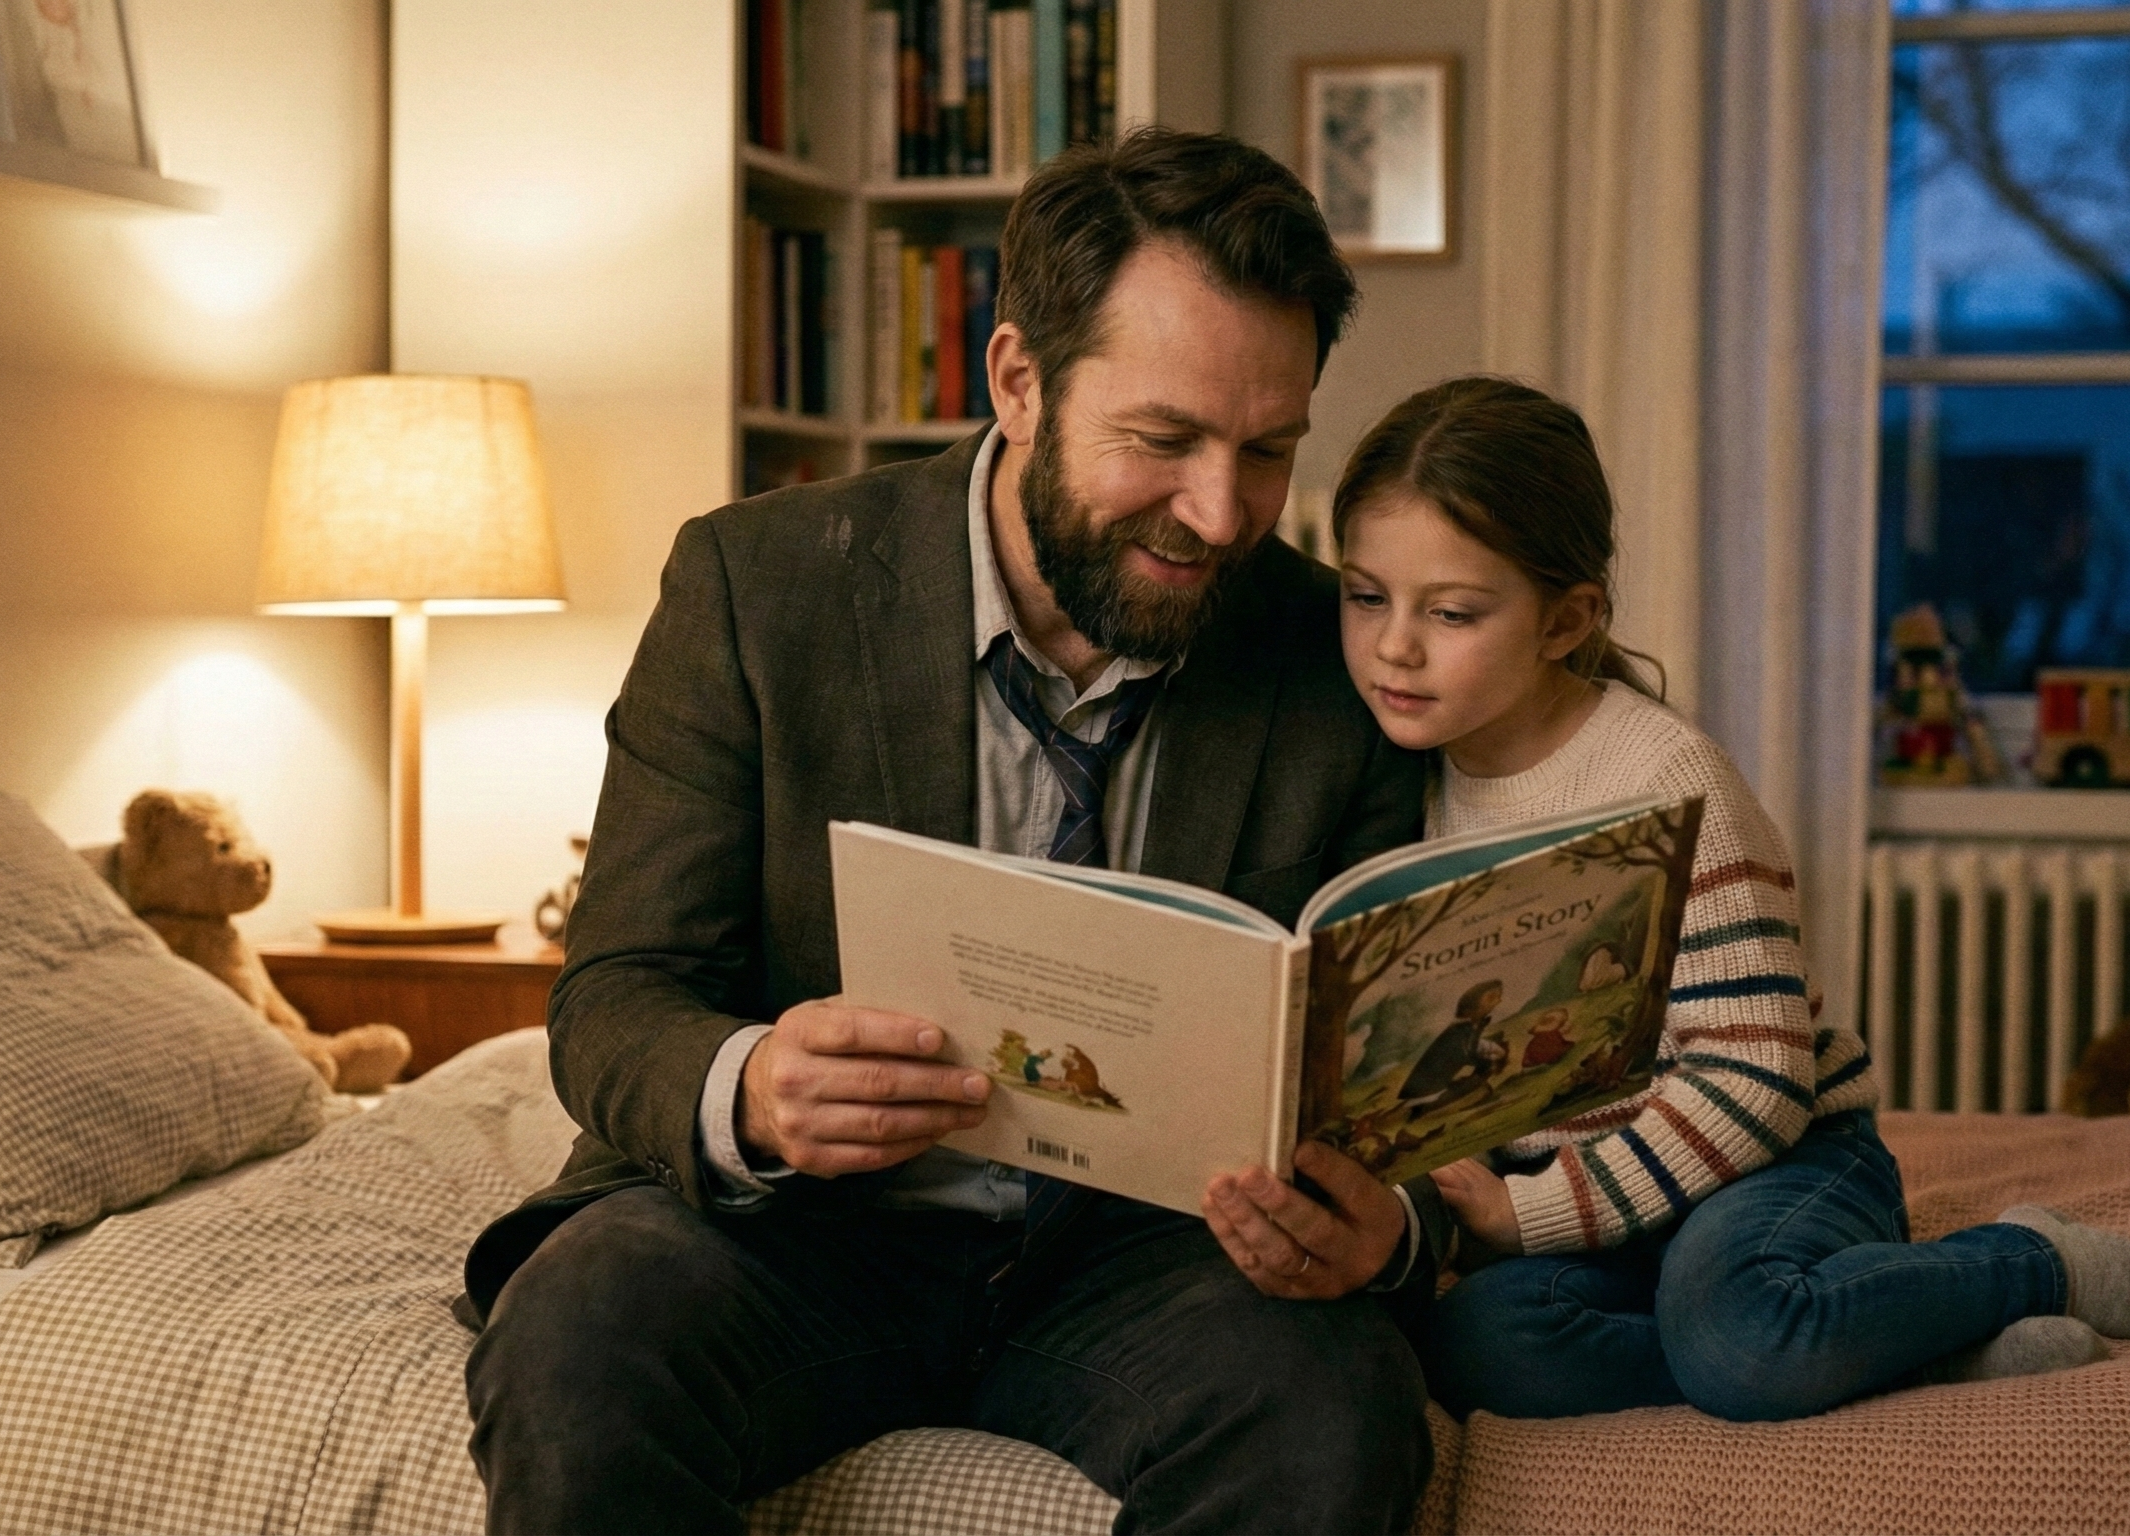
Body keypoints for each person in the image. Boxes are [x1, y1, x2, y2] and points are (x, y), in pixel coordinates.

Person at [458, 128, 1450, 1535]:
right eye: (1162, 440)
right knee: (577, 1340)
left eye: (1268, 450)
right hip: (800, 1235)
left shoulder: (1328, 649)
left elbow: (1379, 1067)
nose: (1220, 513)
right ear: (1018, 381)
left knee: (1337, 1410)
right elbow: (615, 995)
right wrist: (754, 1087)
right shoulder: (757, 585)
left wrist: (1379, 1220)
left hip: (1150, 1263)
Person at [1330, 374, 2130, 1423]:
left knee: (1734, 1330)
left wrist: (1534, 1216)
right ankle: (1893, 1343)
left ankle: (2029, 1262)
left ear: (1565, 620)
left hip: (1778, 1158)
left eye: (1450, 612)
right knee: (1478, 1347)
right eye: (1365, 596)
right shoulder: (1399, 786)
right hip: (1610, 1210)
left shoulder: (1664, 782)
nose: (1393, 645)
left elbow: (1759, 1078)